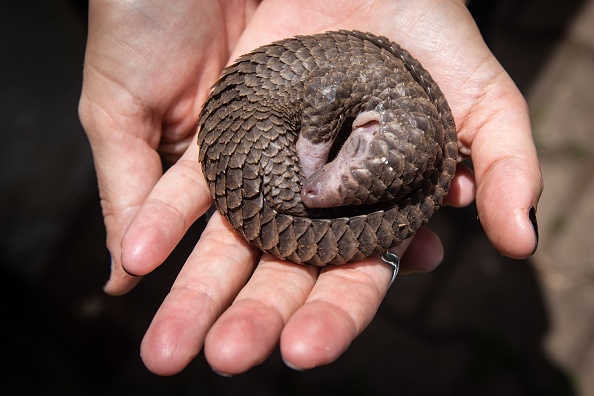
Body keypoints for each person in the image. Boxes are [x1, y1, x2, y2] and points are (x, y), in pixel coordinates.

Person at [78, 0, 542, 376]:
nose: (314, 192)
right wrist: (315, 153)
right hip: (254, 115)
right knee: (296, 189)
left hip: (274, 131)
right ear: (369, 128)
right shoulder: (353, 86)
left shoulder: (382, 99)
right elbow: (326, 98)